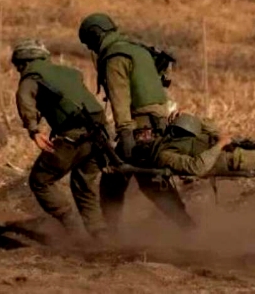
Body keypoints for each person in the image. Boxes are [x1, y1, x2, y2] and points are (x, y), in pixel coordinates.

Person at [78, 12, 195, 231]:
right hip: (159, 120)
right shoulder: (137, 49)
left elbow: (119, 97)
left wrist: (125, 133)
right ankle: (186, 225)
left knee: (120, 180)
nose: (91, 49)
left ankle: (111, 234)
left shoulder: (114, 57)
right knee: (147, 180)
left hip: (141, 126)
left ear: (95, 35)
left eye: (89, 43)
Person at [11, 39, 110, 240]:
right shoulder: (69, 73)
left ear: (24, 62)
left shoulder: (32, 77)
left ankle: (74, 230)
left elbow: (25, 99)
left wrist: (34, 131)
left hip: (72, 136)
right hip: (101, 135)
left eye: (18, 66)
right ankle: (101, 235)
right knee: (84, 185)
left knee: (40, 181)